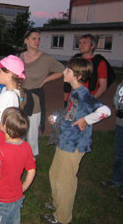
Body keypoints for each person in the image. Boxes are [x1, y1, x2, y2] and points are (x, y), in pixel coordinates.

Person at [41, 58, 111, 224]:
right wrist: (57, 117)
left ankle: (62, 217)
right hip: (65, 141)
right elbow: (71, 113)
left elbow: (105, 110)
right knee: (55, 174)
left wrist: (87, 120)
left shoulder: (83, 94)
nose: (64, 72)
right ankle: (58, 203)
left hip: (73, 146)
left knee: (65, 182)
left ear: (78, 76)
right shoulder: (75, 93)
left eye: (67, 71)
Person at [0, 107, 36, 224]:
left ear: (4, 127)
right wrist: (23, 187)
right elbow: (31, 170)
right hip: (17, 197)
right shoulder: (26, 147)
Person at [19, 28, 65, 156]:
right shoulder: (21, 56)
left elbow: (62, 71)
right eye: (34, 38)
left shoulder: (46, 58)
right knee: (20, 127)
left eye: (39, 39)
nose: (37, 41)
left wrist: (46, 79)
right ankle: (20, 154)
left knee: (32, 132)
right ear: (26, 41)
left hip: (34, 99)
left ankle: (32, 159)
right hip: (21, 98)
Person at [64, 34, 109, 106]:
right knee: (70, 117)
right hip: (72, 100)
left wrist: (90, 101)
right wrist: (66, 100)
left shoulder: (98, 62)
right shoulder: (75, 59)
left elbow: (103, 86)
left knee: (82, 117)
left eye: (84, 43)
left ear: (92, 46)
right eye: (80, 43)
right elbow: (67, 84)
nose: (81, 45)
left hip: (87, 100)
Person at [100, 80, 123, 194]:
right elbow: (116, 98)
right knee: (119, 153)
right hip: (120, 123)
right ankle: (117, 179)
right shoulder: (121, 84)